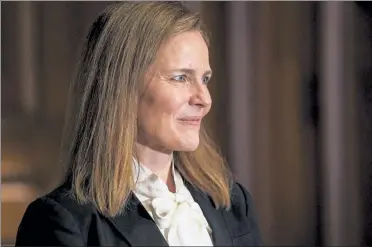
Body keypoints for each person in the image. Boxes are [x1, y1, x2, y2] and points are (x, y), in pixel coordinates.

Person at [15, 2, 263, 246]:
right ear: (122, 87)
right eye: (180, 77)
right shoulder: (61, 222)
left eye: (205, 79)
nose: (204, 99)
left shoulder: (232, 202)